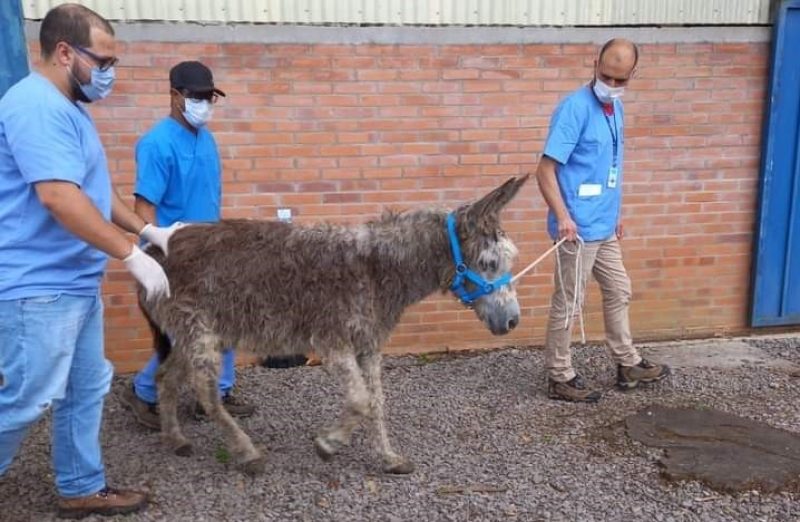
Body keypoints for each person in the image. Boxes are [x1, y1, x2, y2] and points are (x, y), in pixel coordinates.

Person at [0, 3, 182, 518]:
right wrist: (131, 255)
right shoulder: (35, 105)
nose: (109, 73)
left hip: (74, 282)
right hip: (38, 288)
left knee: (86, 389)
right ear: (64, 52)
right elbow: (59, 197)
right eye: (103, 61)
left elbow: (94, 193)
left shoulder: (69, 107)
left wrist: (149, 231)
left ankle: (80, 485)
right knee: (27, 399)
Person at [535, 38, 671, 403]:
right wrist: (562, 217)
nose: (610, 85)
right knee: (569, 302)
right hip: (577, 228)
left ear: (632, 75)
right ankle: (559, 375)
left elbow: (609, 166)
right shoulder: (574, 109)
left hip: (605, 225)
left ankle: (627, 363)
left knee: (619, 290)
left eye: (619, 80)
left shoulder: (616, 109)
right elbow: (545, 170)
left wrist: (616, 212)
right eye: (605, 75)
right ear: (594, 63)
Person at [121, 61, 255, 429]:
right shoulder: (156, 143)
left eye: (209, 97)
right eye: (196, 96)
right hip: (174, 256)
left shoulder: (206, 138)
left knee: (227, 323)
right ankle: (142, 392)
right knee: (187, 335)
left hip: (212, 252)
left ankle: (215, 395)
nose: (204, 103)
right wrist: (152, 258)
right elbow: (143, 208)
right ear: (175, 95)